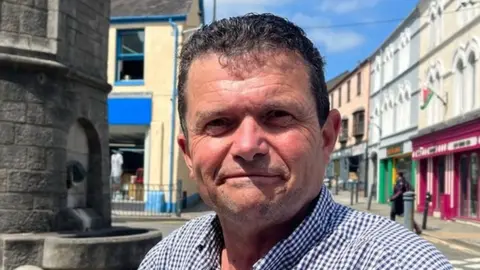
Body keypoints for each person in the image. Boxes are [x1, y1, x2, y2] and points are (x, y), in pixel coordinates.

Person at [139, 13, 452, 270]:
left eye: (277, 115)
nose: (247, 146)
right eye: (218, 123)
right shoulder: (166, 258)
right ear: (188, 153)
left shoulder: (399, 263)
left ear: (327, 137)